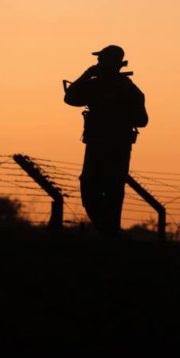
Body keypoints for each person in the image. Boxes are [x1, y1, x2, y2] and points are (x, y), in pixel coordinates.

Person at [64, 45, 148, 235]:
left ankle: (109, 233)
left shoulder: (126, 89)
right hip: (100, 145)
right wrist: (88, 75)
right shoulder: (102, 86)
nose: (98, 64)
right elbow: (70, 98)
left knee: (110, 190)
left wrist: (116, 114)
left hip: (114, 147)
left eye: (101, 61)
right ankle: (106, 230)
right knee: (94, 188)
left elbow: (142, 120)